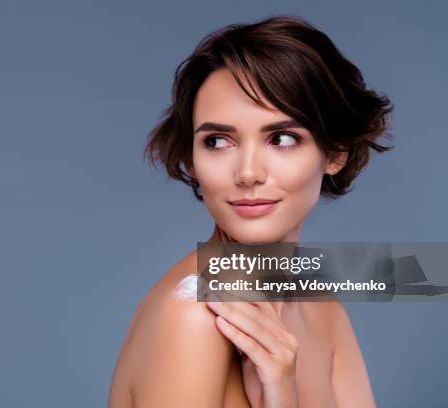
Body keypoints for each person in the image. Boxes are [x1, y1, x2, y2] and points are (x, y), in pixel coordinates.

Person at [108, 14, 393, 408]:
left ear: (335, 152)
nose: (247, 173)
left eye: (281, 138)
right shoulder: (192, 319)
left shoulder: (319, 304)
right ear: (192, 158)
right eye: (218, 142)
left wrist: (283, 395)